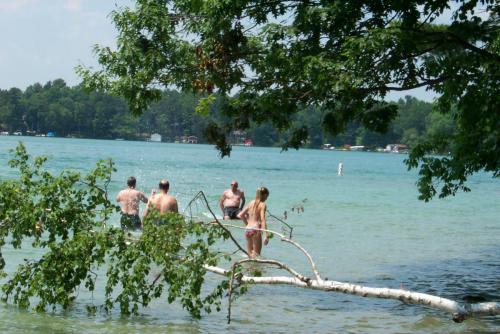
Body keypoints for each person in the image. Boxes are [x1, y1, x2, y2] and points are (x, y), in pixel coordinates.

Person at [237, 187, 270, 258]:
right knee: (256, 256)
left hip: (248, 229)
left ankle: (249, 268)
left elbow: (240, 215)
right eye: (267, 197)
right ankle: (255, 268)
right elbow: (262, 219)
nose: (266, 199)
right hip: (255, 229)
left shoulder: (251, 202)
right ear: (264, 195)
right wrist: (266, 235)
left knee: (250, 255)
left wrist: (247, 224)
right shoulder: (262, 205)